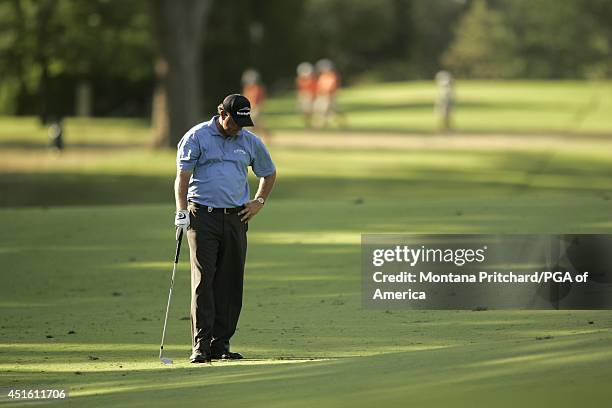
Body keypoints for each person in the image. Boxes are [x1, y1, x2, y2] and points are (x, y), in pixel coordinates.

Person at [174, 94, 277, 363]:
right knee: (204, 279)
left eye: (243, 122)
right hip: (202, 216)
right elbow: (182, 177)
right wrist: (181, 211)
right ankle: (201, 345)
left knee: (230, 282)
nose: (238, 127)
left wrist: (259, 201)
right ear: (222, 112)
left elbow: (269, 172)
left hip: (236, 218)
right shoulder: (197, 137)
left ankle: (221, 345)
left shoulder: (249, 141)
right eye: (234, 121)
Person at [313, 59, 345, 128]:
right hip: (322, 96)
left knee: (330, 111)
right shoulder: (323, 76)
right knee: (320, 110)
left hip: (329, 96)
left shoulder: (331, 76)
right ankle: (321, 123)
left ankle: (321, 124)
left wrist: (327, 95)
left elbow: (330, 87)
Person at [241, 68, 271, 143]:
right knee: (257, 123)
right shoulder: (247, 88)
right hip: (249, 107)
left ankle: (250, 138)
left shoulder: (257, 88)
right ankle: (266, 134)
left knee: (251, 123)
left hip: (255, 107)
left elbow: (257, 99)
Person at [295, 62, 317, 128]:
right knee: (304, 113)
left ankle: (312, 125)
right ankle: (308, 125)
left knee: (311, 112)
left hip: (310, 97)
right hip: (304, 97)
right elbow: (299, 90)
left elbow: (314, 90)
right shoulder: (299, 80)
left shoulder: (312, 80)